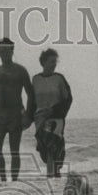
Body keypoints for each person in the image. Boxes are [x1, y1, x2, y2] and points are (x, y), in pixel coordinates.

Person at [0, 38, 35, 182]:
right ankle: (3, 180)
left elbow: (30, 93)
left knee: (14, 151)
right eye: (1, 50)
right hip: (0, 115)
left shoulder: (21, 71)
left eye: (7, 49)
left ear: (12, 50)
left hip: (16, 114)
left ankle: (14, 182)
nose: (5, 53)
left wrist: (28, 115)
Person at [26, 48, 73, 178]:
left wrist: (54, 110)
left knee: (54, 148)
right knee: (44, 150)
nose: (54, 64)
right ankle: (53, 176)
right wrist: (27, 119)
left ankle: (52, 177)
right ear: (43, 62)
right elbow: (32, 102)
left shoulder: (59, 79)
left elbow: (68, 99)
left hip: (56, 119)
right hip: (40, 119)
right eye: (51, 61)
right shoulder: (35, 79)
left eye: (55, 61)